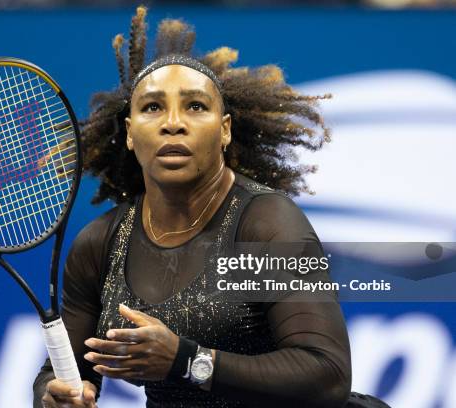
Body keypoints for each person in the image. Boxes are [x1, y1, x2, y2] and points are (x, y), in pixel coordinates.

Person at [34, 7, 351, 408]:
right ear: (131, 134)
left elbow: (328, 376)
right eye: (152, 107)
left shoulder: (268, 226)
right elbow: (65, 373)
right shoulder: (100, 244)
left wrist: (185, 361)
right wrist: (53, 395)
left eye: (195, 106)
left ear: (225, 130)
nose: (173, 123)